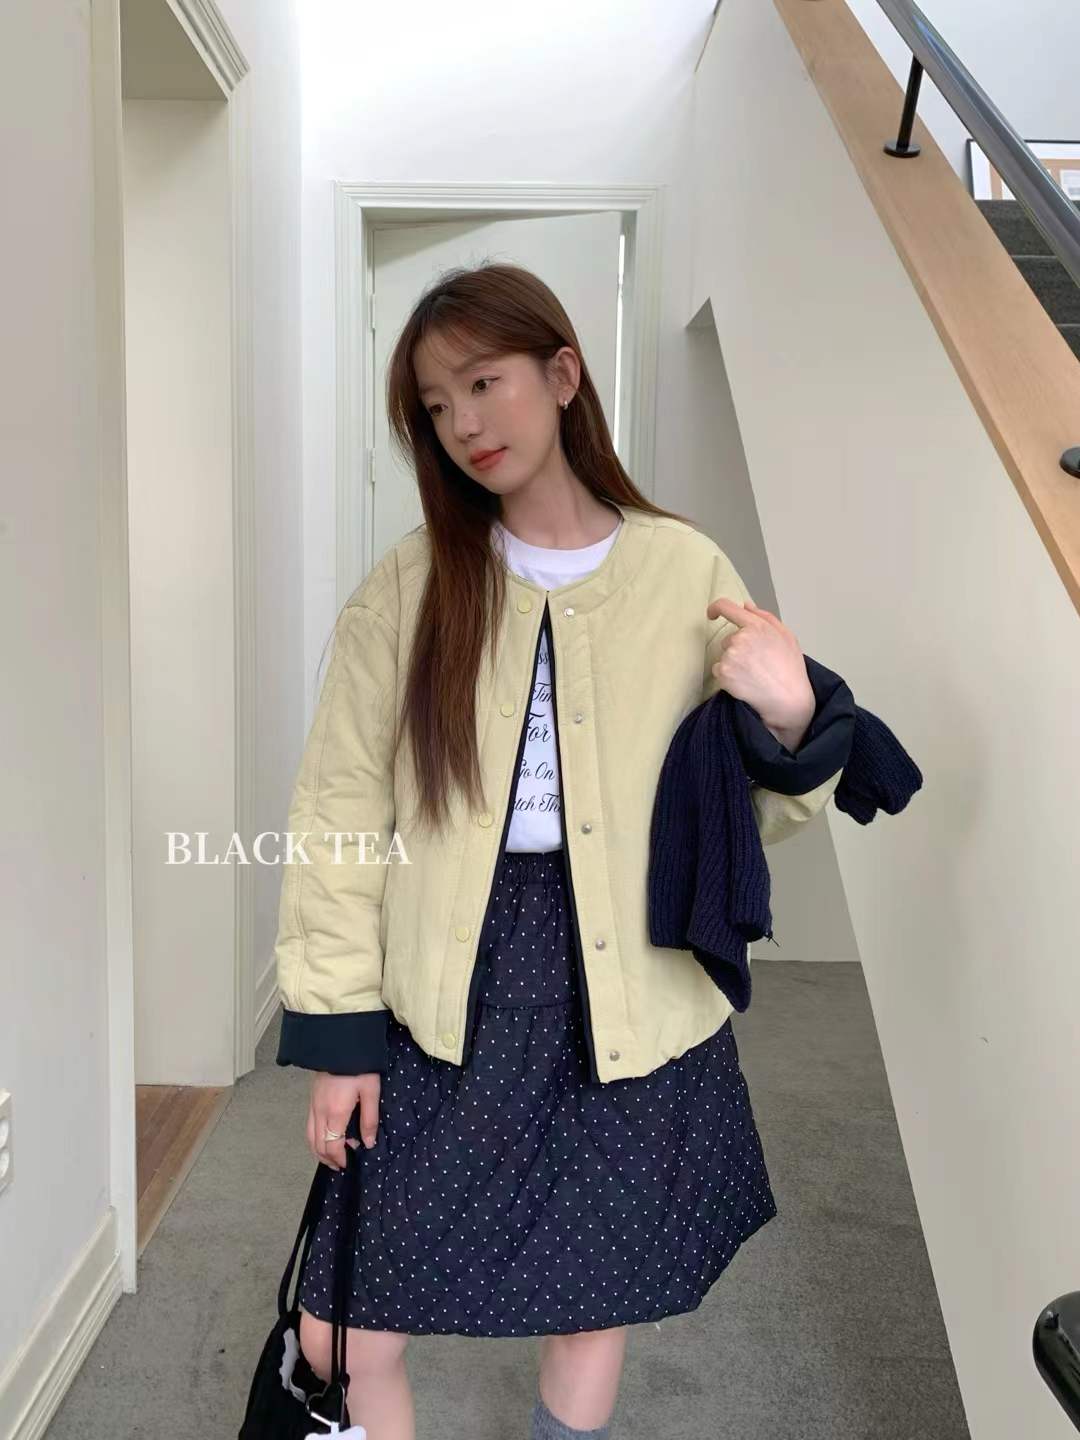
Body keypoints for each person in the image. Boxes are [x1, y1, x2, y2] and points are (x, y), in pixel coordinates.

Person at [270, 262, 841, 1440]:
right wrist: (338, 1032)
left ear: (563, 374)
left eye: (484, 382)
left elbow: (743, 818)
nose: (463, 423)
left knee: (594, 1288)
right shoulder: (411, 586)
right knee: (342, 1327)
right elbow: (337, 816)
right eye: (436, 405)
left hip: (619, 971)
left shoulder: (685, 571)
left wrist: (792, 719)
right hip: (443, 975)